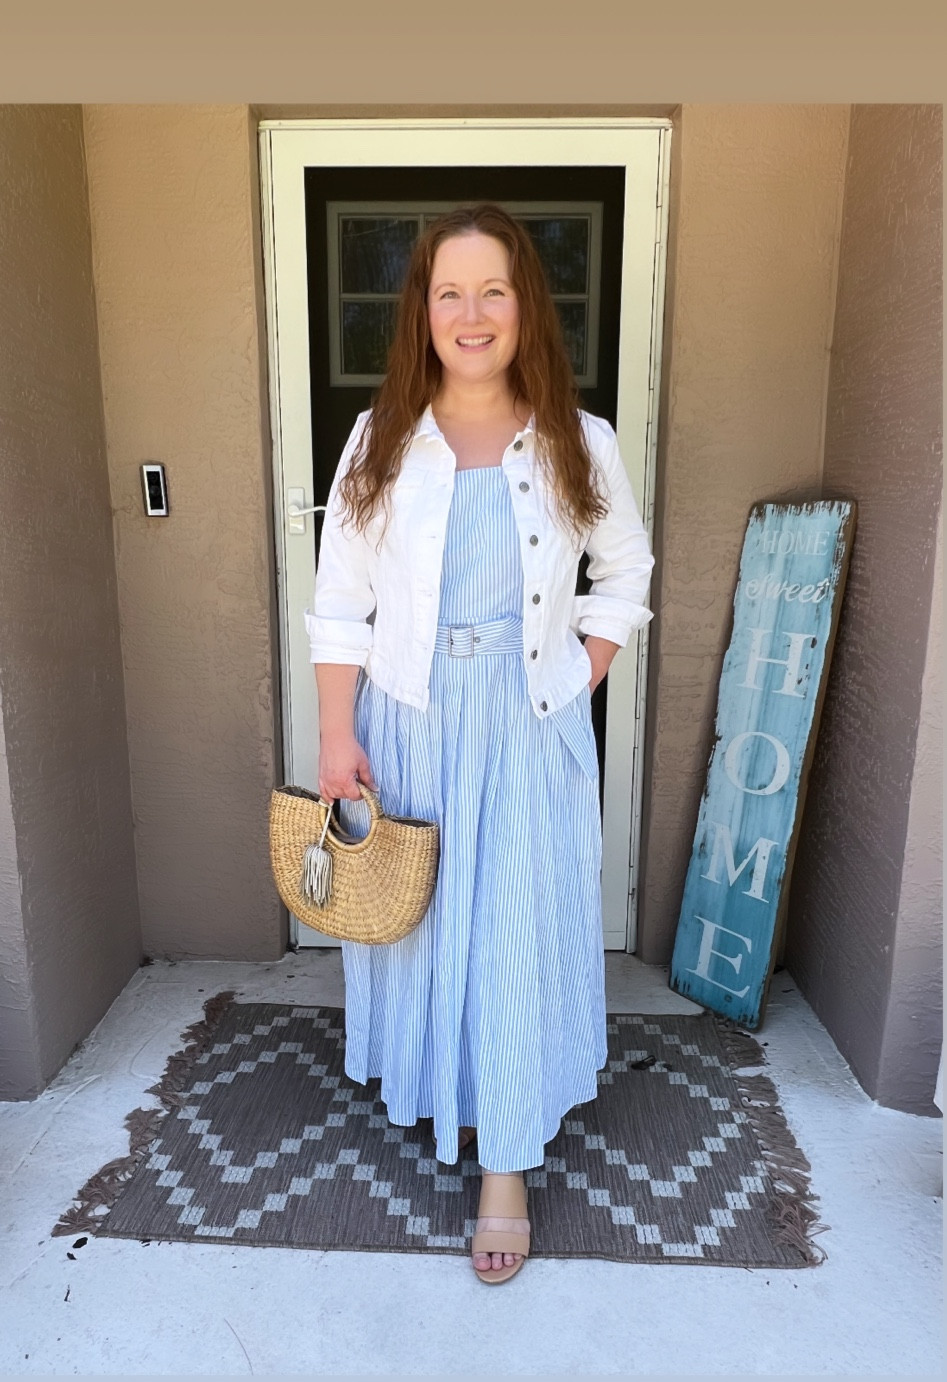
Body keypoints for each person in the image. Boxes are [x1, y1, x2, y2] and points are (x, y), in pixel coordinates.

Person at [305, 203, 655, 1284]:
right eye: (448, 291)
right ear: (421, 311)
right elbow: (339, 605)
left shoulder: (576, 441)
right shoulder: (378, 442)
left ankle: (504, 1163)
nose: (470, 312)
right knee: (422, 922)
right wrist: (333, 735)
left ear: (523, 308)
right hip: (407, 724)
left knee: (505, 931)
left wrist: (570, 674)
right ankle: (442, 1090)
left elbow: (624, 579)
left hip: (526, 728)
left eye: (492, 290)